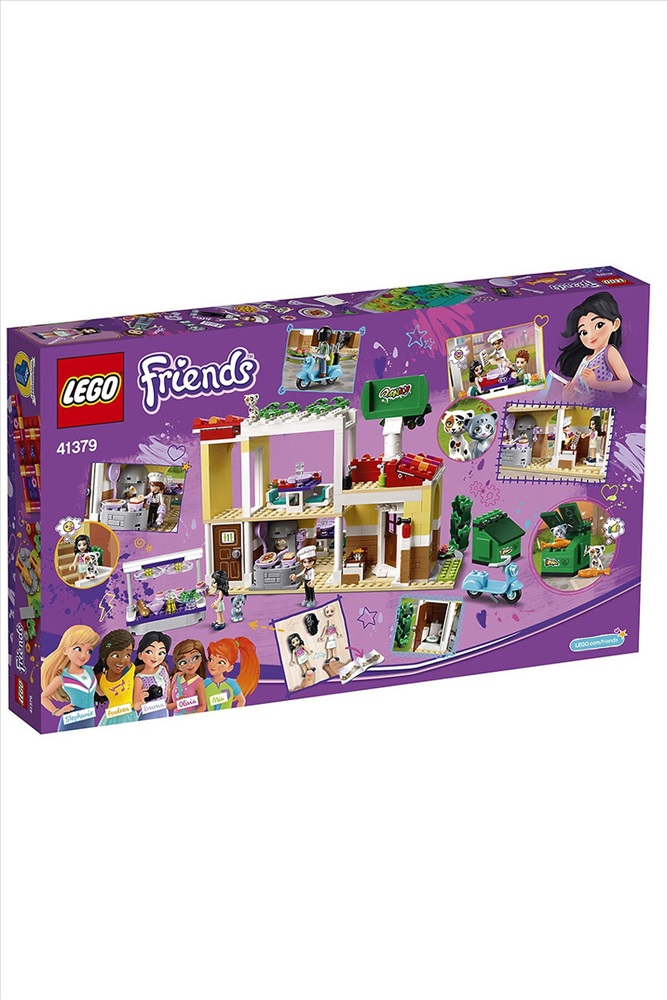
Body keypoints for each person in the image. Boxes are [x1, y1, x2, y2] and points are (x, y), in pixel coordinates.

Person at [558, 291, 635, 401]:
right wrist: (567, 394)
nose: (591, 336)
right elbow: (575, 389)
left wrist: (596, 384)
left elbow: (626, 384)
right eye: (584, 332)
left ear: (615, 324)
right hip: (584, 408)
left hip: (603, 406)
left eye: (599, 325)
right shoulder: (585, 360)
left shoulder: (609, 351)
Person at [41, 625, 100, 731]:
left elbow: (101, 692)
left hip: (89, 719)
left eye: (89, 651)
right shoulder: (62, 677)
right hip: (71, 720)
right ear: (65, 650)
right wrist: (56, 711)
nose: (84, 655)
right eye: (78, 649)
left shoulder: (89, 671)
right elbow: (43, 697)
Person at [94, 629, 137, 726]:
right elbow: (100, 692)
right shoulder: (100, 677)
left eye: (127, 655)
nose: (122, 661)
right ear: (104, 656)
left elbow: (143, 669)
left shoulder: (130, 668)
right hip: (111, 717)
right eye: (115, 655)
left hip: (129, 715)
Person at [205, 636, 260, 710]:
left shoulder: (231, 684)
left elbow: (242, 700)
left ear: (229, 668)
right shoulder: (205, 683)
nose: (213, 665)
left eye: (221, 662)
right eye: (211, 659)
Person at [133, 631, 172, 720]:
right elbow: (136, 706)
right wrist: (142, 700)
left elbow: (168, 690)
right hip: (148, 714)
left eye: (161, 653)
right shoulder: (139, 678)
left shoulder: (162, 669)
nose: (155, 657)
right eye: (149, 651)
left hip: (163, 711)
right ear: (140, 655)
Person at [168, 639, 207, 715]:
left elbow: (202, 706)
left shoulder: (199, 682)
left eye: (195, 658)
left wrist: (192, 714)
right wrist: (177, 703)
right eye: (183, 662)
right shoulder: (176, 679)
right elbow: (168, 706)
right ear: (178, 666)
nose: (190, 664)